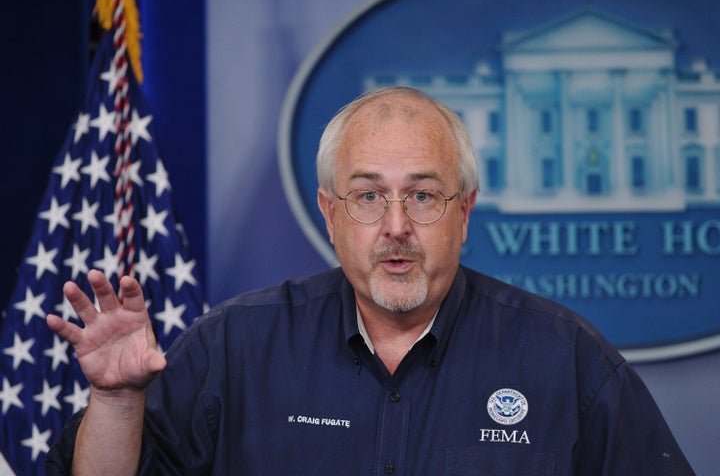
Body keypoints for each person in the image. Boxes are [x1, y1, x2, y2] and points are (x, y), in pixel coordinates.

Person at [46, 86, 694, 475]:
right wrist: (119, 400)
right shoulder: (233, 349)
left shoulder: (565, 358)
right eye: (366, 196)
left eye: (422, 195)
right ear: (329, 213)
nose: (395, 226)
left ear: (463, 213)